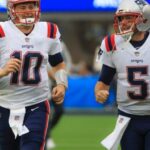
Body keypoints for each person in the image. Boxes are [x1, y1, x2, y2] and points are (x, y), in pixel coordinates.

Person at [0, 0, 68, 150]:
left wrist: (61, 84)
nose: (28, 11)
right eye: (23, 7)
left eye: (31, 6)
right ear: (11, 9)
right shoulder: (1, 30)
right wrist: (2, 71)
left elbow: (58, 64)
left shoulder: (49, 30)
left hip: (36, 104)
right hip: (3, 105)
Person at [95, 0, 150, 150]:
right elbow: (103, 81)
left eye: (129, 18)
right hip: (127, 117)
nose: (124, 22)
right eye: (121, 18)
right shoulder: (111, 43)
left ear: (144, 18)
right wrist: (99, 92)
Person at [45, 41, 73, 149]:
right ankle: (47, 137)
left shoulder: (61, 44)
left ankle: (47, 131)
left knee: (60, 111)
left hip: (58, 83)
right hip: (45, 83)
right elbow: (45, 64)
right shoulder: (42, 41)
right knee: (44, 113)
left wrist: (63, 77)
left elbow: (66, 61)